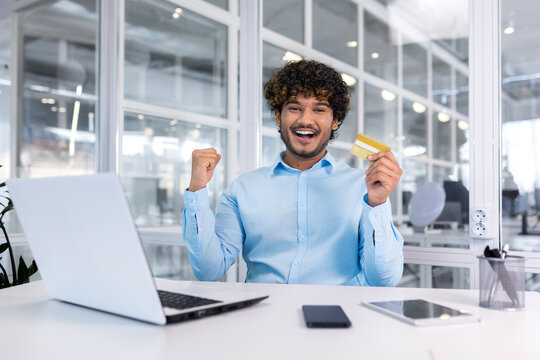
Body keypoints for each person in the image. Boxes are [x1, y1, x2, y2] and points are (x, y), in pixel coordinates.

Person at [183, 60, 404, 286]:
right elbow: (209, 270)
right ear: (279, 117)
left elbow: (383, 280)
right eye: (294, 108)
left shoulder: (363, 188)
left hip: (339, 316)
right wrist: (197, 190)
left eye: (319, 109)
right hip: (263, 316)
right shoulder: (243, 189)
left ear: (335, 121)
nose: (305, 120)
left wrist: (377, 203)